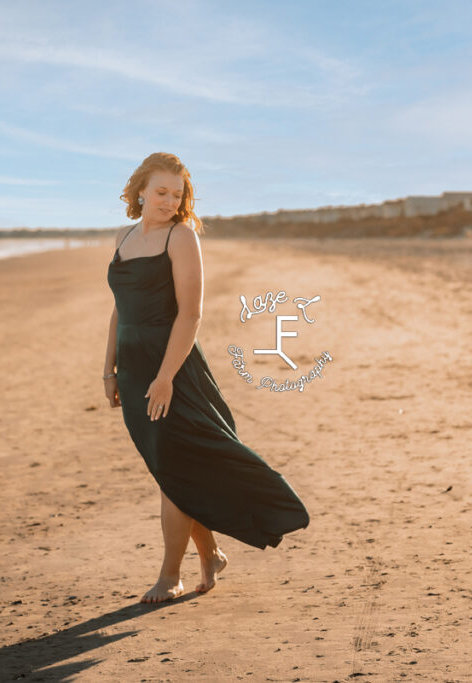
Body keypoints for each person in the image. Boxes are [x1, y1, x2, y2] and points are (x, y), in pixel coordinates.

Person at [104, 152, 309, 604]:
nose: (169, 201)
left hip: (172, 369)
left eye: (177, 195)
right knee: (173, 470)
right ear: (140, 189)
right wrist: (109, 370)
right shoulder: (123, 237)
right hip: (135, 367)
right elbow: (121, 309)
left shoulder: (182, 237)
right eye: (161, 192)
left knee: (174, 470)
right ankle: (211, 554)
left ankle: (169, 576)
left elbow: (191, 314)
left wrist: (165, 378)